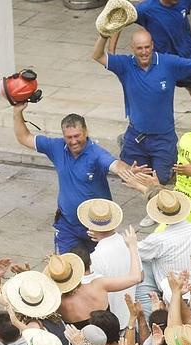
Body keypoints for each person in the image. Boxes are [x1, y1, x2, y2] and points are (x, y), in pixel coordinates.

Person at [92, 29, 191, 185]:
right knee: (133, 178)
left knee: (162, 179)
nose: (144, 52)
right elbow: (97, 55)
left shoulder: (168, 62)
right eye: (139, 48)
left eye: (147, 47)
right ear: (132, 48)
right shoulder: (125, 64)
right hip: (136, 136)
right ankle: (125, 142)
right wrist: (104, 34)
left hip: (163, 138)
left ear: (153, 45)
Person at [12, 104, 143, 253]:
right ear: (63, 136)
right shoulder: (55, 147)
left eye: (77, 136)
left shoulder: (96, 153)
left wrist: (128, 171)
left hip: (97, 226)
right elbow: (24, 137)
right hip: (67, 225)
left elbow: (114, 164)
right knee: (68, 269)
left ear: (86, 132)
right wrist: (17, 112)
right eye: (69, 137)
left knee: (100, 269)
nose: (73, 141)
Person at [135, 189, 191, 316]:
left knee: (142, 265)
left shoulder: (158, 240)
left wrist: (130, 242)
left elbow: (134, 253)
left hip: (176, 297)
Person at [111, 0, 191, 109]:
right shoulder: (145, 9)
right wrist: (111, 52)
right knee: (156, 90)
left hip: (183, 57)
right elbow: (120, 20)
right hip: (160, 60)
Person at [44, 230, 142, 329]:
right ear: (90, 262)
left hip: (80, 343)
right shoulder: (99, 285)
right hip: (109, 339)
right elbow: (136, 277)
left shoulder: (59, 302)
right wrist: (132, 247)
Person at [78, 198, 140, 331]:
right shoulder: (129, 244)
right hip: (130, 317)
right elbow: (140, 275)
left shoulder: (95, 258)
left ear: (90, 227)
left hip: (113, 323)